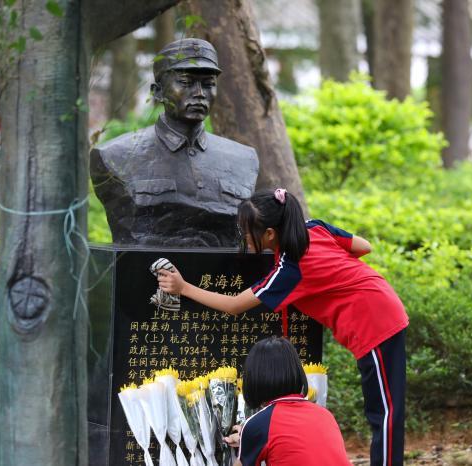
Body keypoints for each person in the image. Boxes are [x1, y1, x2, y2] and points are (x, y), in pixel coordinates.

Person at [158, 188, 409, 466]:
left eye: (247, 231)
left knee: (384, 411)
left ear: (269, 234)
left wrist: (183, 287)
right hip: (379, 304)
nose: (243, 237)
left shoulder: (290, 268)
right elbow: (363, 246)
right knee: (383, 408)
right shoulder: (314, 229)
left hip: (374, 320)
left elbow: (234, 305)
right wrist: (334, 275)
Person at [90, 38, 259, 247]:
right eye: (186, 83)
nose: (199, 94)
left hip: (219, 275)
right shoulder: (114, 155)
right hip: (145, 272)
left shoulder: (244, 159)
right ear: (158, 91)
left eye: (208, 84)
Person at [223, 336, 350, 466]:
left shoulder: (260, 424)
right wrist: (247, 437)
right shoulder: (324, 414)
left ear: (253, 378)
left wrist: (249, 434)